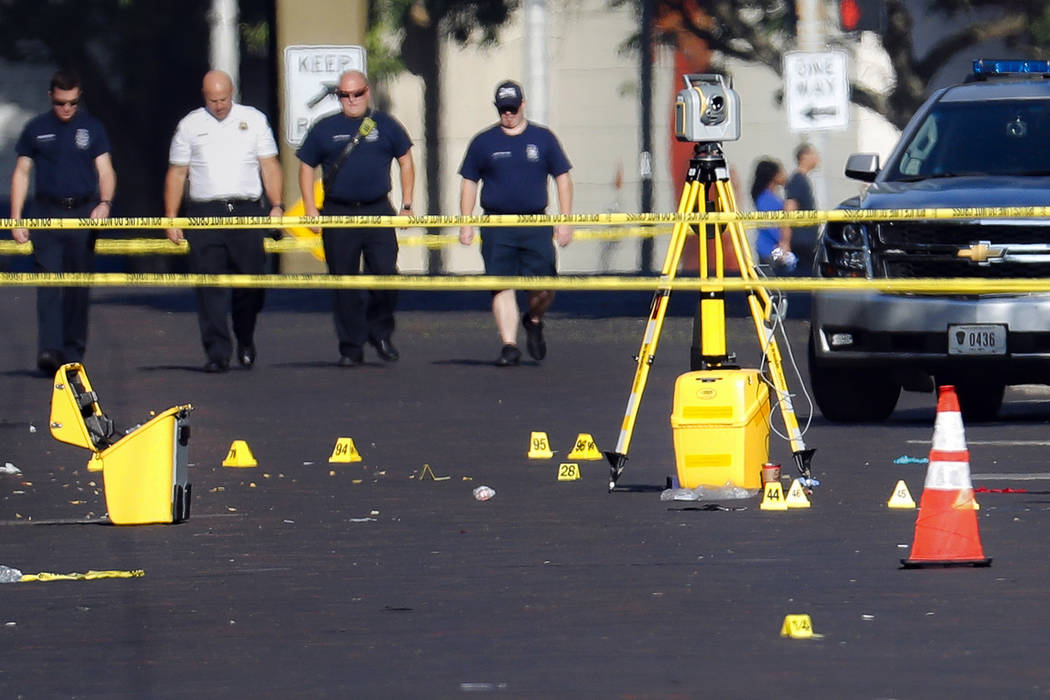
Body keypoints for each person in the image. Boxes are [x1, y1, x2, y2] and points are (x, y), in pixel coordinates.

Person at [164, 70, 283, 373]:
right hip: (206, 212)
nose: (219, 105)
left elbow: (268, 165)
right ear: (204, 96)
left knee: (252, 281)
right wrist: (171, 217)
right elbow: (177, 173)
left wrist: (277, 205)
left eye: (224, 99)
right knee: (209, 286)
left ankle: (245, 337)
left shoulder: (253, 119)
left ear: (233, 92)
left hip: (245, 209)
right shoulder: (190, 125)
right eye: (213, 100)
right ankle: (217, 351)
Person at [296, 69, 414, 367]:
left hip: (377, 209)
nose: (351, 100)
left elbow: (406, 160)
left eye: (357, 94)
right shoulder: (324, 128)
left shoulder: (385, 125)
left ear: (367, 92)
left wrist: (407, 204)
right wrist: (311, 208)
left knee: (386, 274)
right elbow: (306, 166)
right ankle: (351, 346)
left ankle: (380, 331)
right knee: (344, 282)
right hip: (339, 211)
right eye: (345, 95)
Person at [458, 80, 573, 367]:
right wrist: (465, 222)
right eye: (503, 110)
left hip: (535, 222)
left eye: (512, 108)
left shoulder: (543, 139)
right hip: (497, 223)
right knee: (501, 283)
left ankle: (533, 320)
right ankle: (509, 345)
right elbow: (469, 182)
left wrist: (566, 219)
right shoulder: (483, 142)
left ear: (522, 105)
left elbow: (562, 178)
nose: (507, 114)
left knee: (544, 286)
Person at [9, 69, 116, 376]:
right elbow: (21, 173)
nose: (66, 109)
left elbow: (105, 170)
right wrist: (16, 217)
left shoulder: (92, 128)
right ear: (51, 98)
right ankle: (50, 351)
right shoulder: (36, 128)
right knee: (50, 284)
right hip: (46, 212)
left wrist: (104, 203)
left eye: (71, 103)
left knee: (77, 288)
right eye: (60, 103)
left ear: (78, 98)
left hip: (82, 212)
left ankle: (73, 353)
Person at [749, 158, 794, 272]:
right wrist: (784, 240)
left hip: (772, 246)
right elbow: (770, 225)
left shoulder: (770, 197)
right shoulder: (766, 199)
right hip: (770, 248)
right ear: (773, 176)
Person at [783, 143, 820, 275]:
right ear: (804, 156)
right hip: (801, 243)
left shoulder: (803, 179)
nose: (817, 158)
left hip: (807, 242)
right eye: (813, 154)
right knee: (803, 275)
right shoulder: (797, 180)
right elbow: (789, 208)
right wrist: (785, 241)